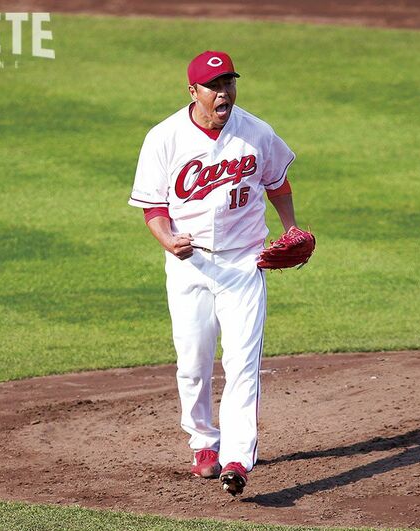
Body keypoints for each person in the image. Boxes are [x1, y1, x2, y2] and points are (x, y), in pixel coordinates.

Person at [128, 50, 302, 496]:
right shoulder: (164, 137)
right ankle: (204, 443)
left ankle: (238, 458)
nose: (224, 93)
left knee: (242, 363)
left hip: (244, 262)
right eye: (214, 86)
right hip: (189, 265)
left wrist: (290, 227)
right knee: (193, 363)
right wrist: (168, 240)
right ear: (193, 91)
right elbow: (153, 207)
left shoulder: (256, 132)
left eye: (229, 83)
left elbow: (277, 183)